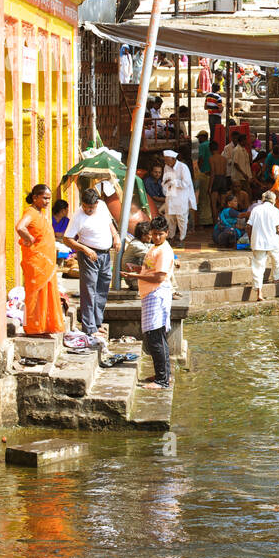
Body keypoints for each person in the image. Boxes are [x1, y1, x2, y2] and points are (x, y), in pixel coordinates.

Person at [121, 218, 174, 390]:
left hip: (156, 294)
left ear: (167, 233)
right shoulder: (154, 247)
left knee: (155, 337)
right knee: (157, 337)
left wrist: (135, 277)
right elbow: (151, 270)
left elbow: (159, 277)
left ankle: (162, 380)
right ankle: (164, 374)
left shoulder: (164, 251)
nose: (157, 237)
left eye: (161, 234)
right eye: (154, 234)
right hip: (150, 294)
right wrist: (138, 270)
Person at [61, 187, 120, 337]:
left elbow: (109, 223)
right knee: (89, 291)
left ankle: (97, 322)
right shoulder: (78, 216)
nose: (89, 210)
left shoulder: (101, 206)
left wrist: (116, 237)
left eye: (91, 207)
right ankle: (89, 327)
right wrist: (85, 249)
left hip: (105, 254)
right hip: (88, 255)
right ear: (82, 204)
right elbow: (67, 239)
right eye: (86, 207)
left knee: (102, 288)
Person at [15, 184, 65, 335]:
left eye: (49, 199)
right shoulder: (31, 212)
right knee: (35, 295)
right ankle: (33, 327)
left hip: (46, 263)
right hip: (36, 263)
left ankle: (43, 325)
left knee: (45, 293)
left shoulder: (40, 213)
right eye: (44, 198)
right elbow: (19, 227)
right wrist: (29, 238)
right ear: (35, 197)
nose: (47, 202)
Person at [247, 191, 279, 301]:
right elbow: (278, 228)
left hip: (258, 242)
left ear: (263, 200)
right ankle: (276, 278)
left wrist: (251, 240)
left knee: (258, 267)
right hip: (272, 241)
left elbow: (248, 226)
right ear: (274, 201)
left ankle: (259, 292)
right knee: (277, 259)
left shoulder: (256, 209)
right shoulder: (276, 211)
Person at [161, 149, 196, 247]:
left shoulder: (183, 167)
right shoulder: (166, 167)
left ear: (173, 159)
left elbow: (186, 183)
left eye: (167, 160)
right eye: (165, 160)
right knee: (170, 218)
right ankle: (171, 237)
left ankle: (182, 238)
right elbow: (165, 180)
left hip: (181, 197)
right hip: (171, 195)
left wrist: (173, 182)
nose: (166, 162)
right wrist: (166, 183)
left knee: (182, 219)